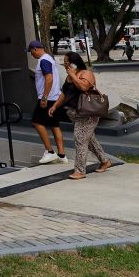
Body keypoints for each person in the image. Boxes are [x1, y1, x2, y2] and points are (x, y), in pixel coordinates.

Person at [49, 51, 112, 179]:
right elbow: (64, 93)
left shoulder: (86, 74)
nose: (65, 65)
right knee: (90, 140)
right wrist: (55, 106)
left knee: (80, 139)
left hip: (88, 114)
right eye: (64, 62)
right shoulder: (69, 77)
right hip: (75, 114)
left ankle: (80, 170)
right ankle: (105, 161)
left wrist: (73, 75)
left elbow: (84, 87)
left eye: (67, 62)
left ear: (74, 63)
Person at [27, 40, 67, 164]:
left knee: (36, 122)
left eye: (31, 52)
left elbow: (49, 79)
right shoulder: (49, 58)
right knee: (54, 125)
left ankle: (50, 152)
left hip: (48, 98)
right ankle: (62, 155)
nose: (31, 54)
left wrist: (44, 97)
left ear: (35, 49)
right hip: (55, 97)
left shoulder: (43, 60)